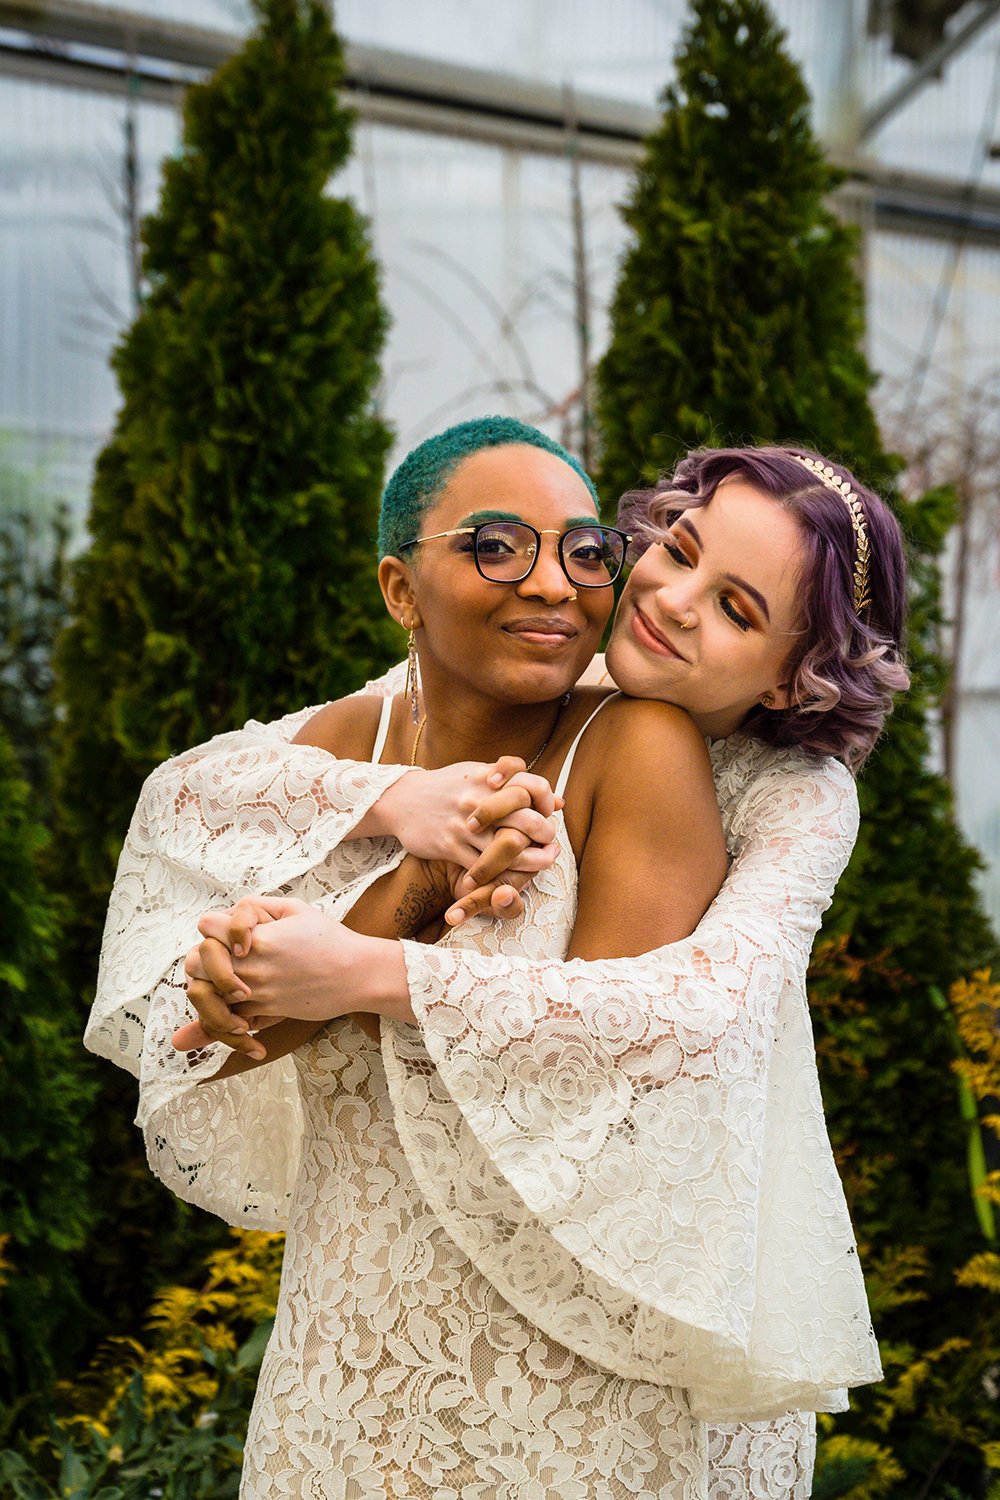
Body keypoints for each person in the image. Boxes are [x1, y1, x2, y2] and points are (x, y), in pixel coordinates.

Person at [87, 421, 908, 1498]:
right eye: (675, 550)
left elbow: (633, 1076)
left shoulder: (700, 765)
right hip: (343, 1352)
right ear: (400, 587)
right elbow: (194, 930)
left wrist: (367, 964)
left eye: (738, 608)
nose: (664, 599)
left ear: (792, 678)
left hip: (565, 1368)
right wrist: (400, 819)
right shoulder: (389, 729)